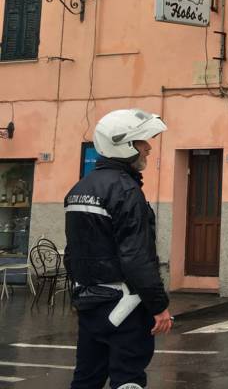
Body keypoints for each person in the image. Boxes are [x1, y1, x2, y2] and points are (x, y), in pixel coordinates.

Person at [64, 109, 172, 389]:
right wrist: (159, 306)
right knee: (128, 379)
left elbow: (71, 252)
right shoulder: (126, 191)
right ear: (123, 145)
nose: (148, 147)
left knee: (86, 378)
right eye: (142, 142)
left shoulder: (78, 188)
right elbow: (137, 257)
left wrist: (80, 296)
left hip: (89, 303)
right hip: (124, 307)